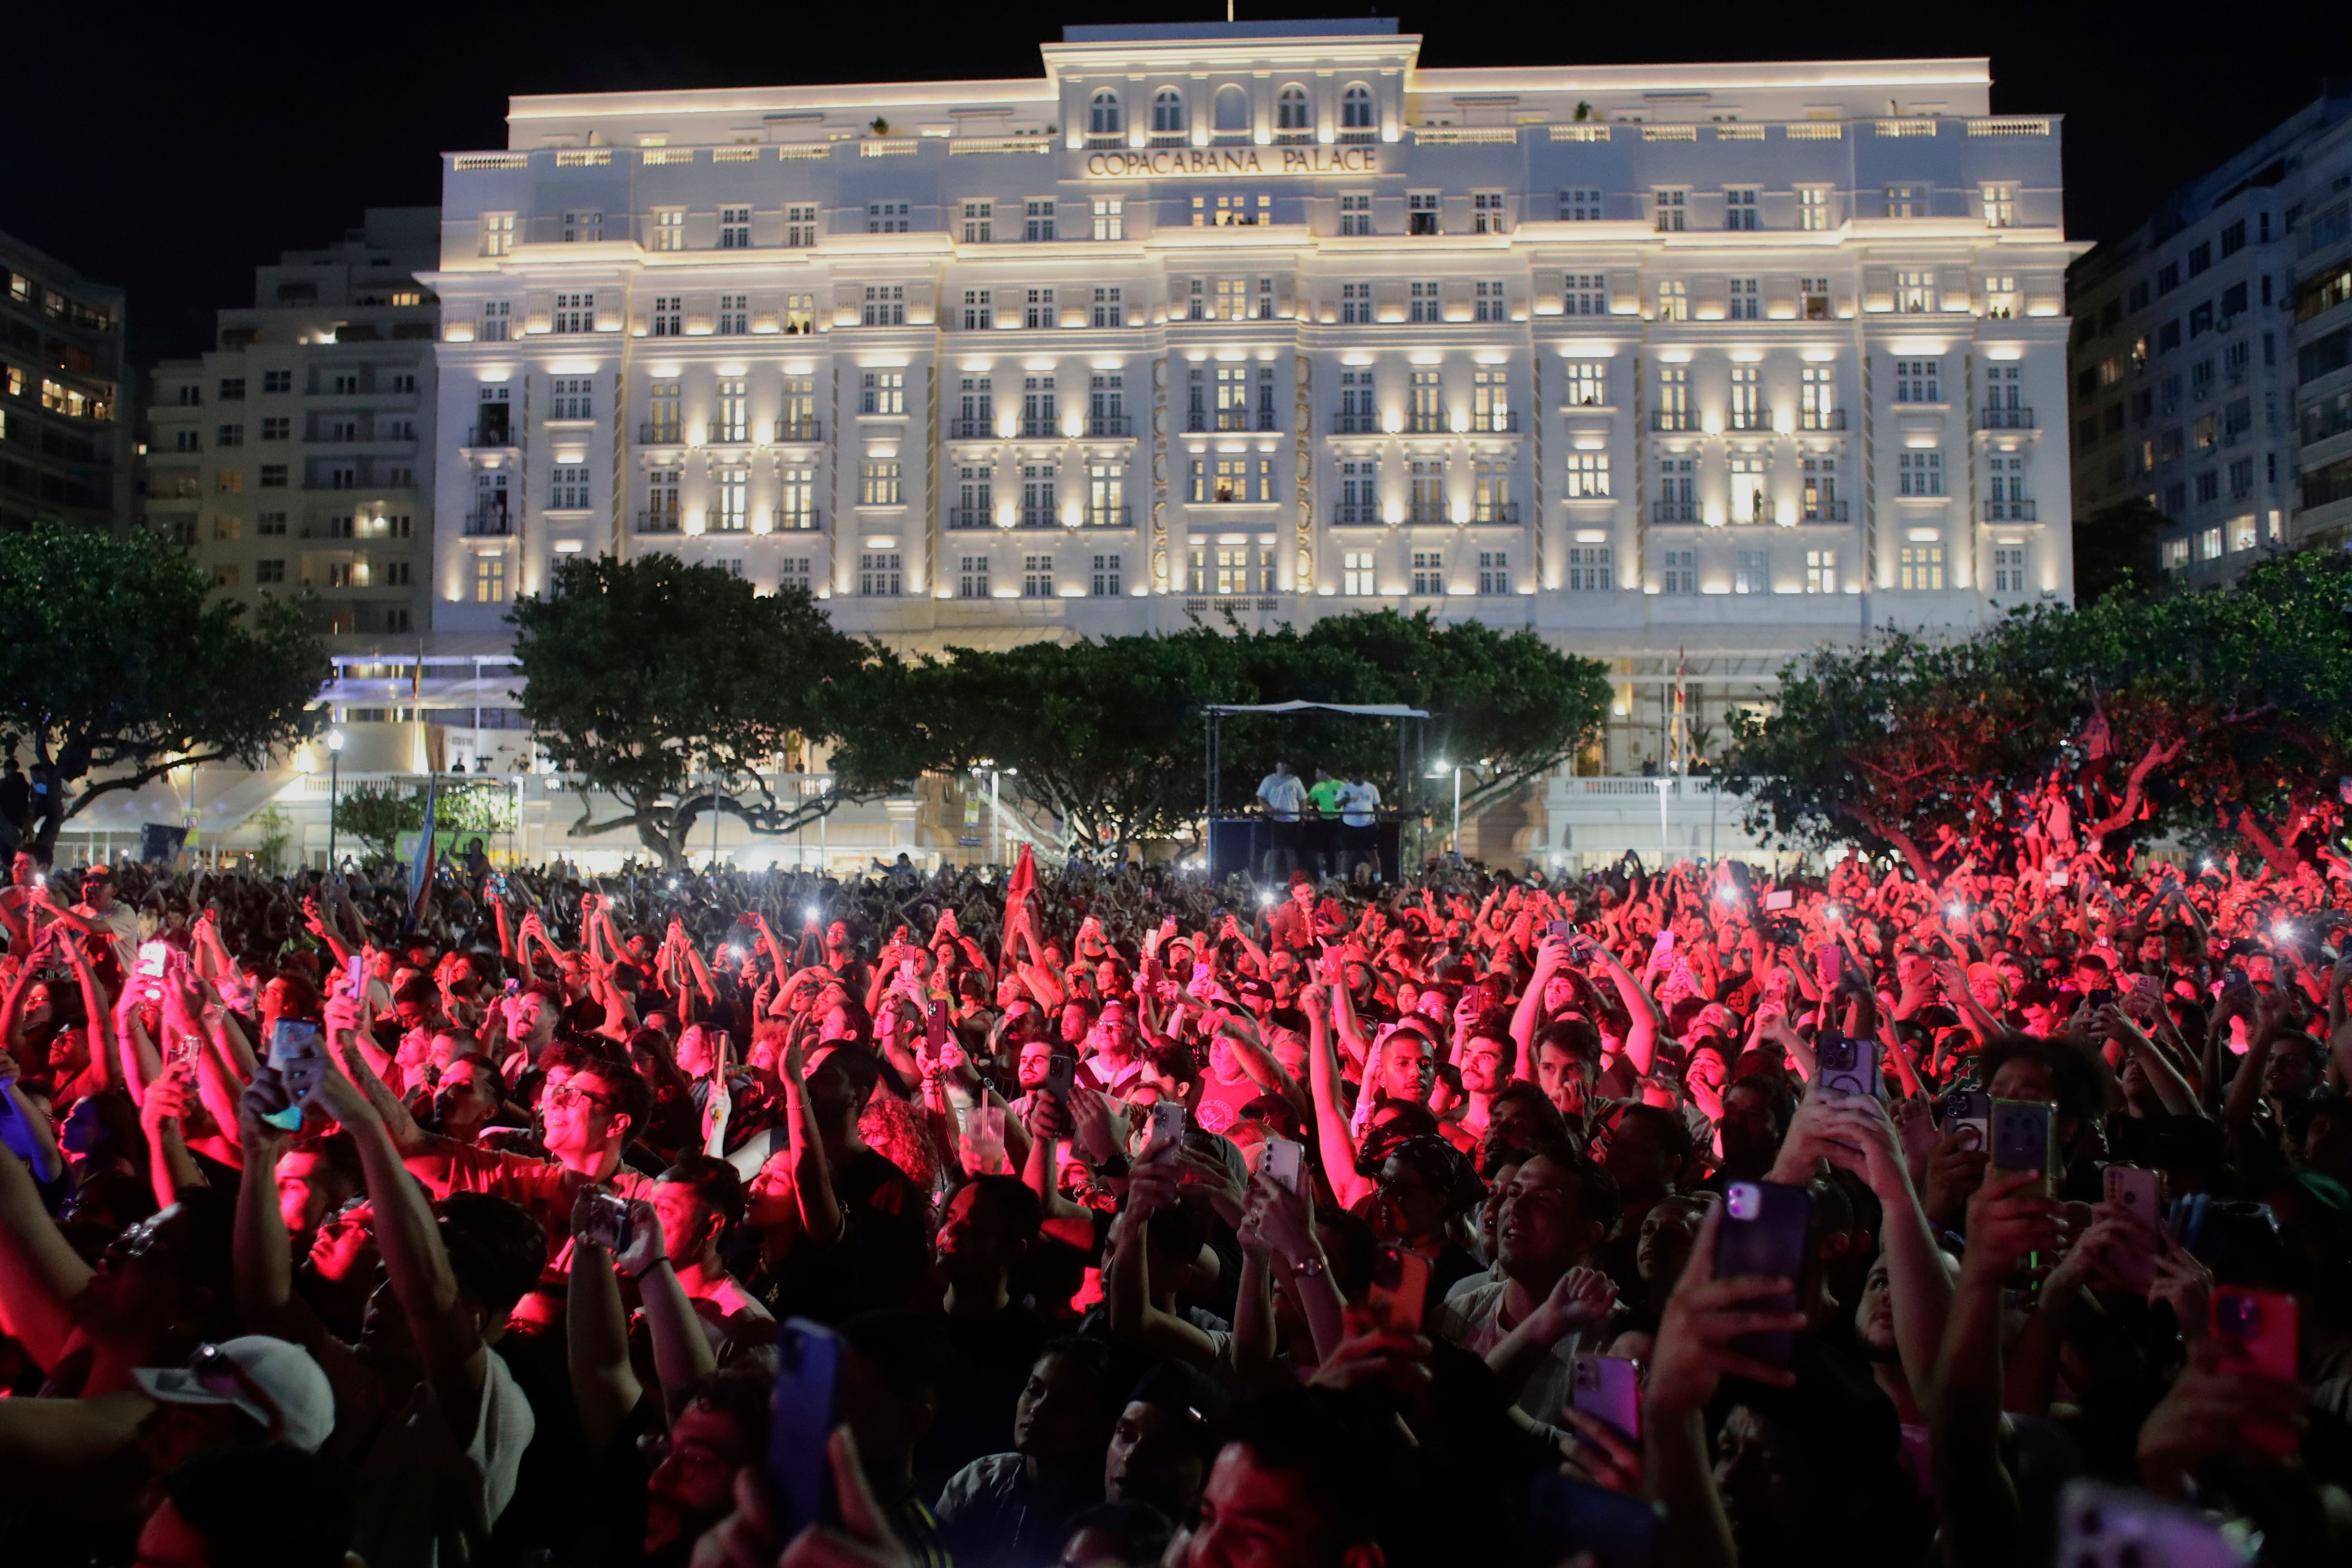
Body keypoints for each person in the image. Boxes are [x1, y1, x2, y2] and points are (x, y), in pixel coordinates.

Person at [1253, 762, 1307, 880]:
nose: (1285, 766)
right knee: (1273, 851)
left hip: (1293, 821)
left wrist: (1303, 816)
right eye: (1282, 764)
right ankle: (1267, 879)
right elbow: (1261, 798)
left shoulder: (1295, 780)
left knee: (1291, 852)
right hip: (1275, 821)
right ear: (1277, 765)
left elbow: (1303, 799)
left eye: (1287, 764)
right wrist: (1270, 810)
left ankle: (1294, 880)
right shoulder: (1269, 780)